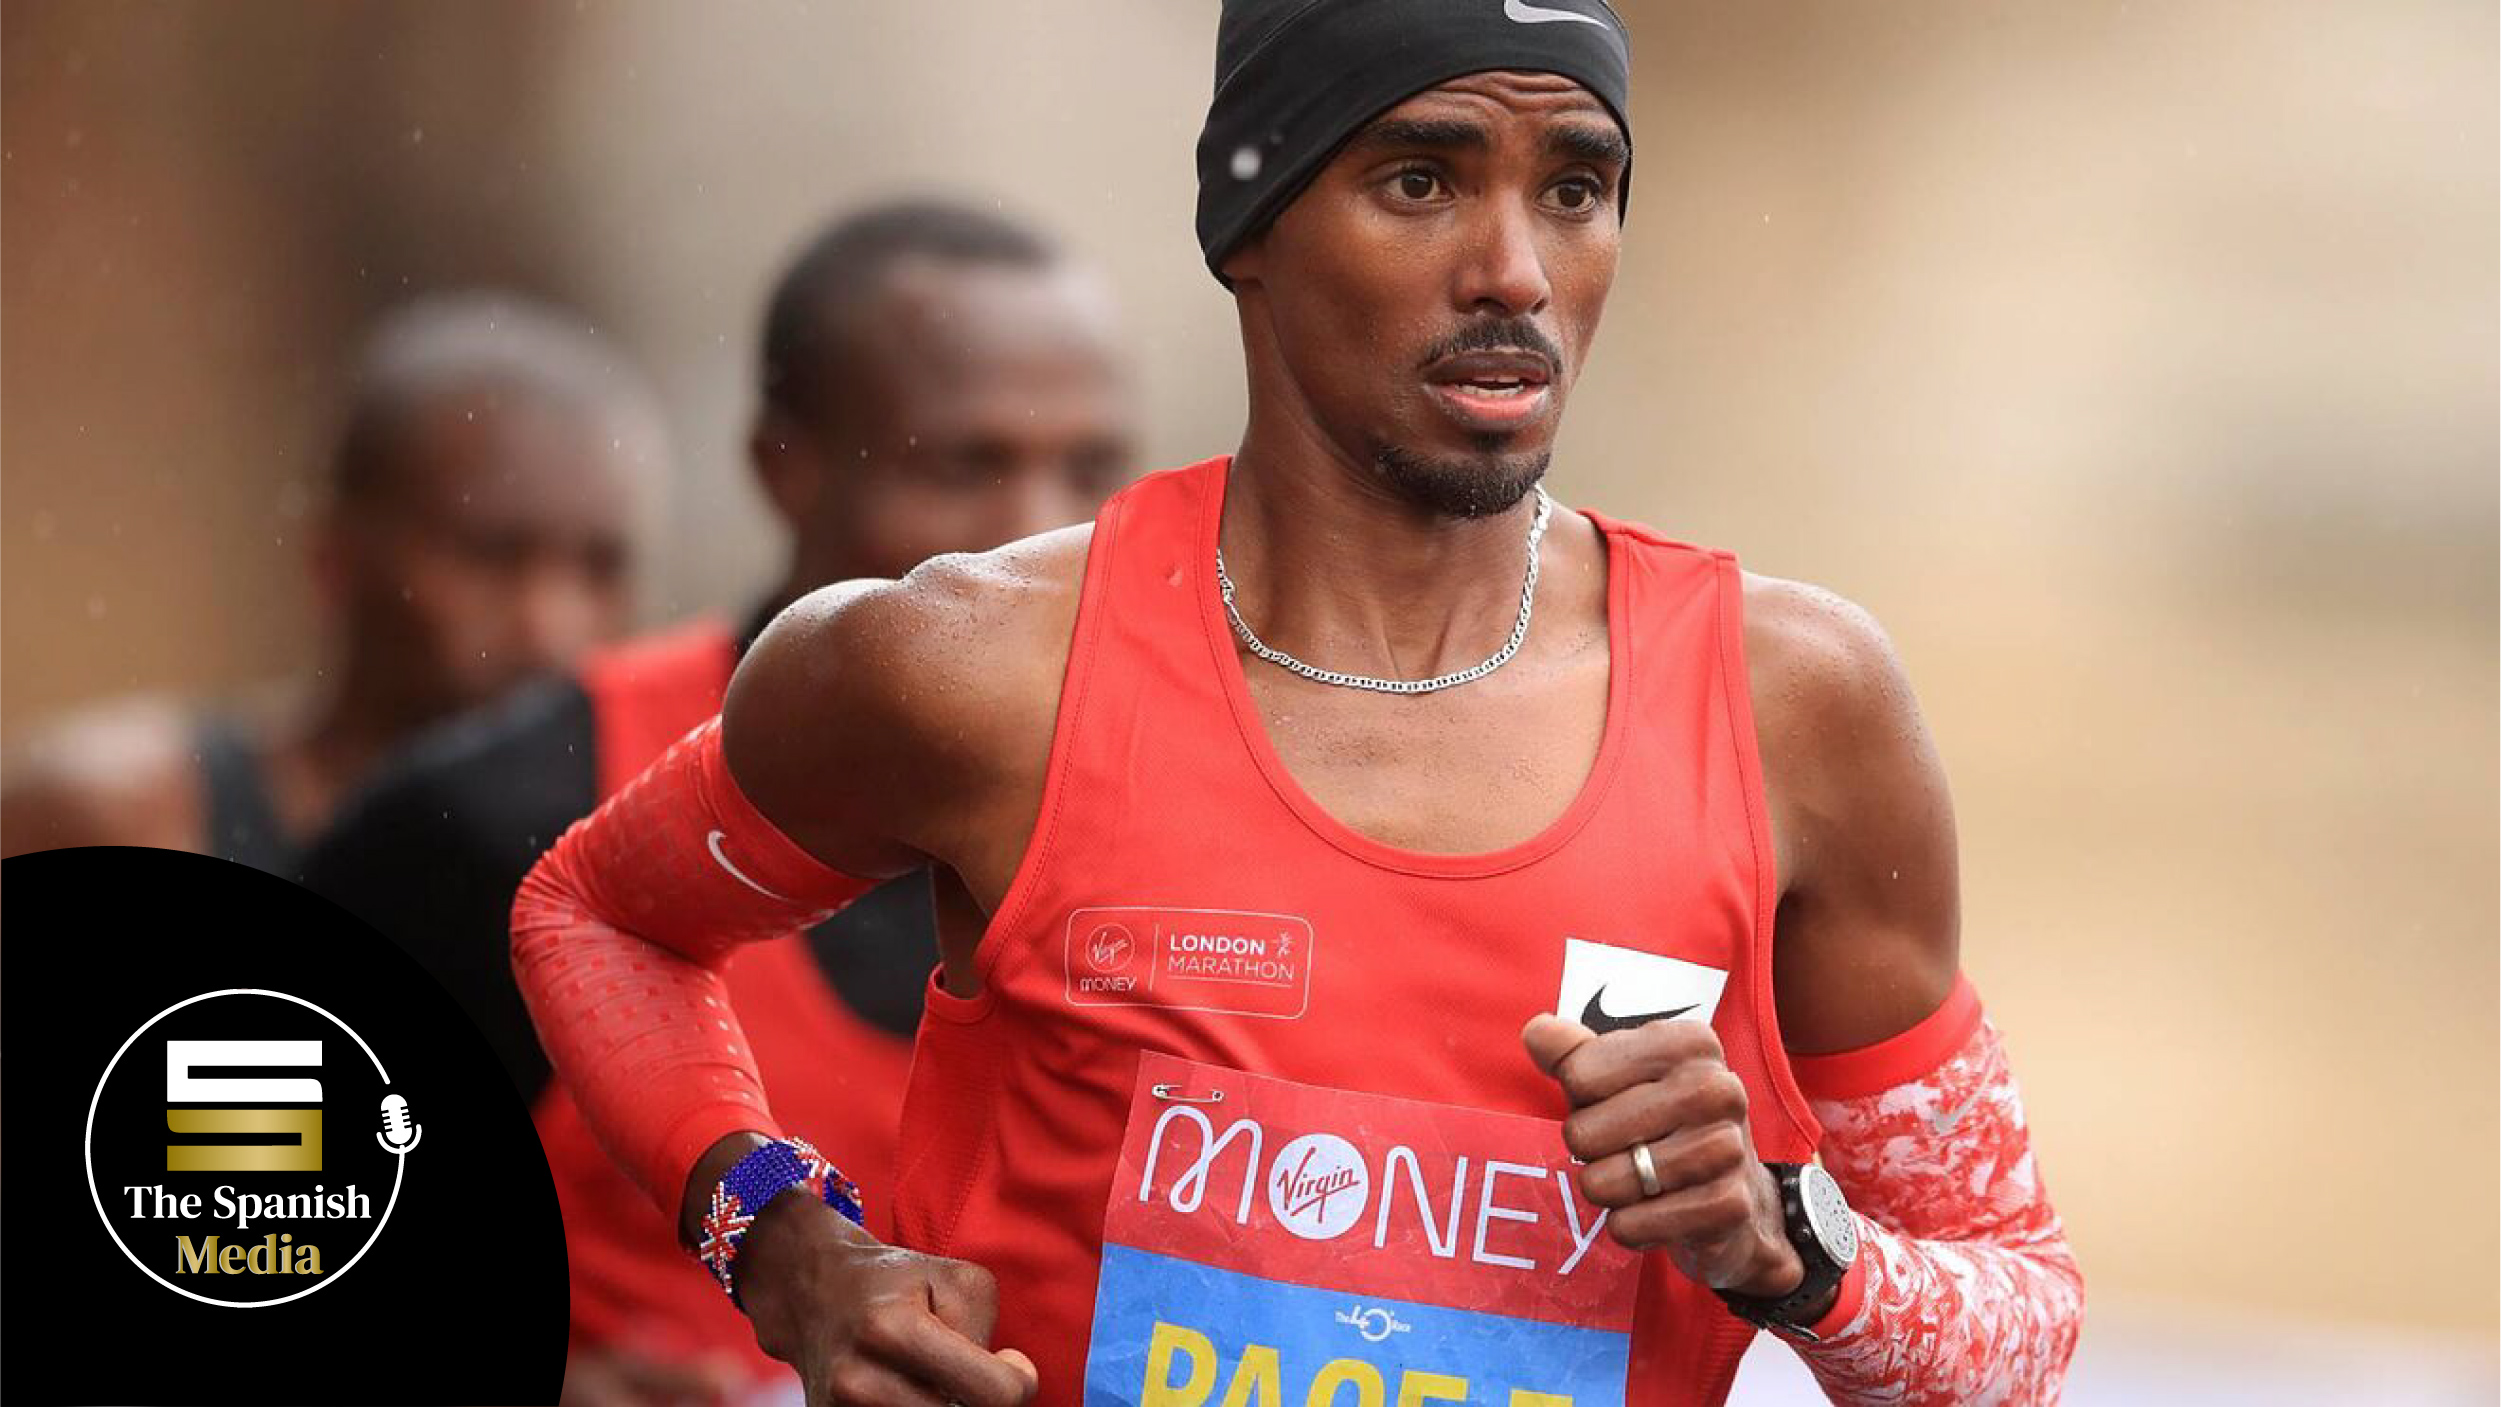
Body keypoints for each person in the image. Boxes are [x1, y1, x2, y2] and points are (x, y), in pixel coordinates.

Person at [511, 5, 2084, 1405]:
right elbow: (594, 913)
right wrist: (783, 1243)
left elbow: (2017, 1329)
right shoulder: (974, 665)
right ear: (1248, 223)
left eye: (1574, 188)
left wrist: (1790, 1243)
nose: (1515, 271)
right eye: (1421, 180)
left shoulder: (1792, 707)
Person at [306, 200, 1135, 1407]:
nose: (1035, 530)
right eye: (964, 466)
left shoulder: (1182, 819)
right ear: (783, 467)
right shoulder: (506, 814)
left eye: (1090, 471)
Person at [0, 291, 661, 877]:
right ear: (336, 558)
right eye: (489, 555)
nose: (549, 624)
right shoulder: (127, 821)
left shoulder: (650, 866)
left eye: (601, 567)